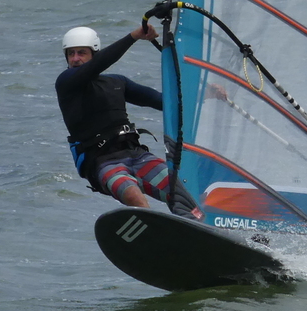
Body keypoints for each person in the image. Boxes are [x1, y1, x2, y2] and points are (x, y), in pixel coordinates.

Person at [55, 22, 202, 219]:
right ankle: (153, 230)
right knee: (133, 194)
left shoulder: (117, 82)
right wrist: (133, 36)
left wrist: (205, 95)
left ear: (94, 54)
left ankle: (201, 226)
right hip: (103, 163)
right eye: (71, 54)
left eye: (82, 53)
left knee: (182, 192)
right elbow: (101, 63)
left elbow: (165, 102)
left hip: (137, 155)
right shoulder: (66, 83)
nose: (75, 58)